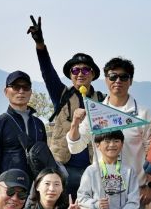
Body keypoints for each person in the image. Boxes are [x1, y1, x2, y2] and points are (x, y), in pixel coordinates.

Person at [67, 57, 151, 209]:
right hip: (101, 196)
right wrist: (74, 124)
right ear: (106, 79)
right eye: (113, 76)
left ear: (131, 81)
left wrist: (149, 185)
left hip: (133, 194)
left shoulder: (143, 113)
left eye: (124, 77)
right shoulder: (95, 112)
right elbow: (76, 147)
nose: (118, 81)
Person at [27, 15, 104, 197]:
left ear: (93, 74)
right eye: (75, 70)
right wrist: (40, 45)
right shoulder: (61, 95)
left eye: (85, 70)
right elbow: (47, 72)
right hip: (63, 167)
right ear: (70, 75)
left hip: (92, 168)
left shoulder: (101, 100)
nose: (80, 74)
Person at [0, 71, 47, 192]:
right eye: (16, 87)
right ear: (6, 92)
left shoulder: (38, 124)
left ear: (30, 92)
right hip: (10, 190)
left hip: (36, 189)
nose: (21, 91)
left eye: (25, 87)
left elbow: (45, 157)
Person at [77, 130, 140, 209]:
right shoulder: (91, 171)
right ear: (97, 145)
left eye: (116, 141)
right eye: (107, 141)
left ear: (122, 144)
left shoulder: (129, 171)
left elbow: (133, 201)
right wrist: (96, 205)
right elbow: (82, 198)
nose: (112, 145)